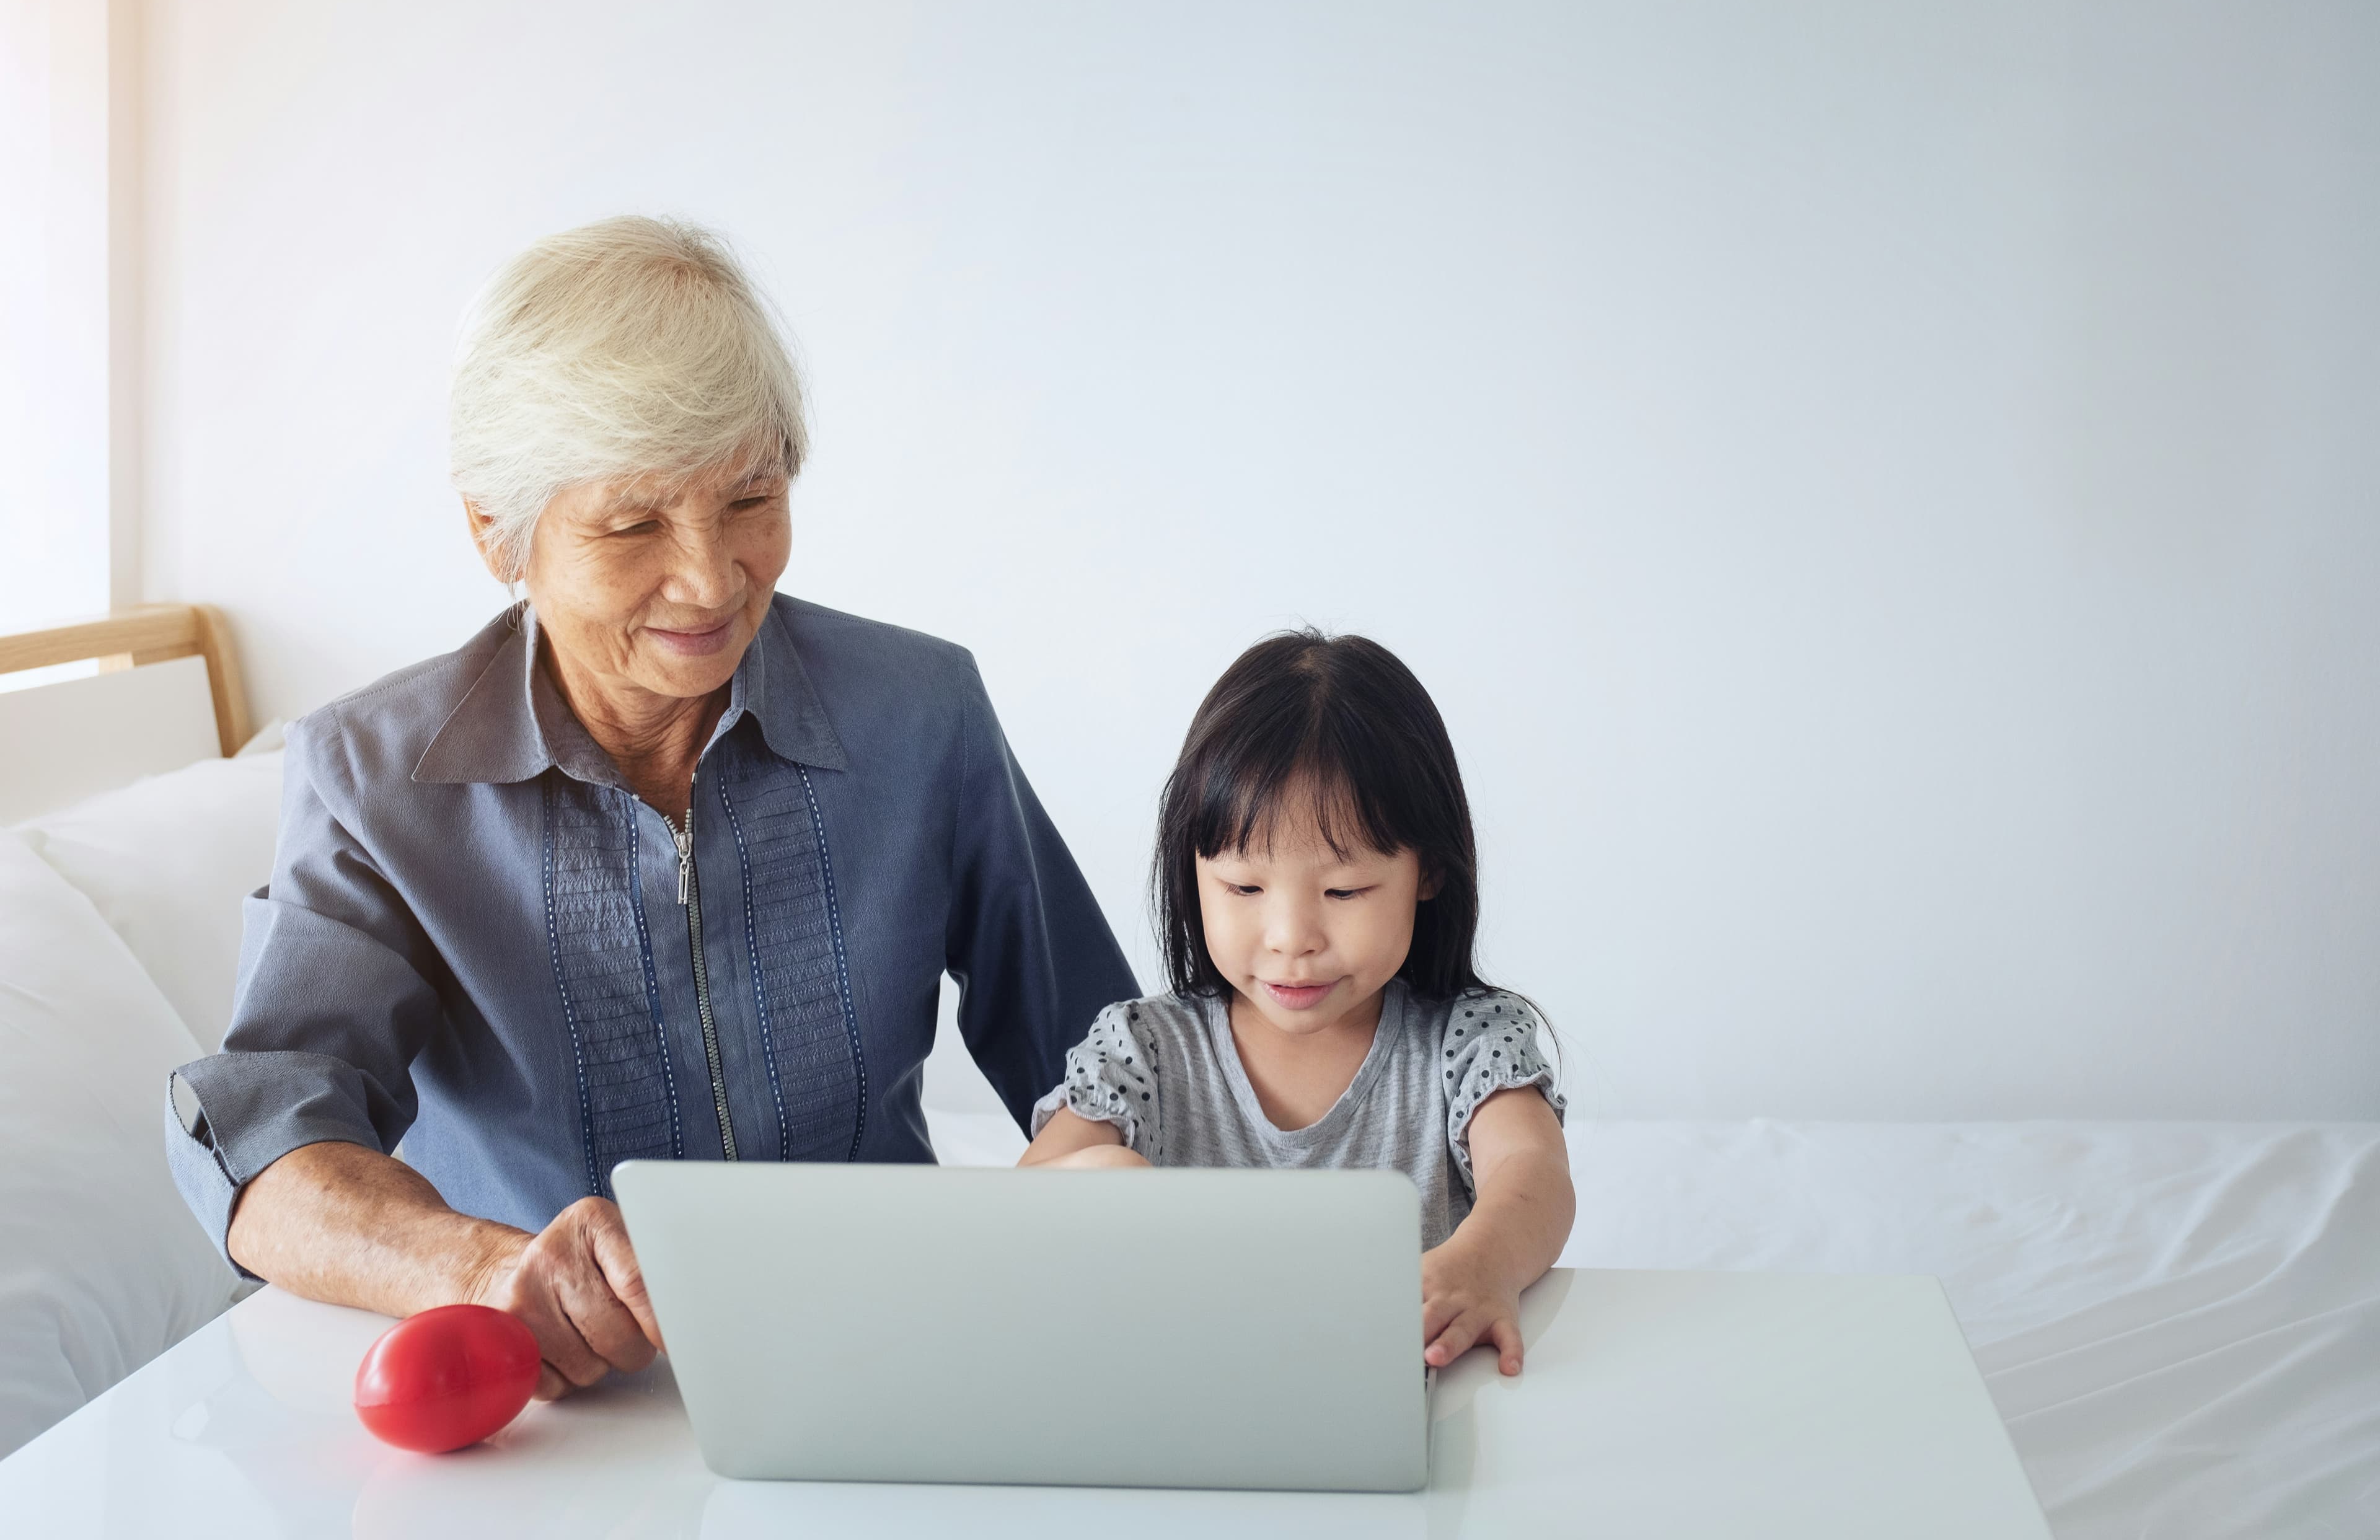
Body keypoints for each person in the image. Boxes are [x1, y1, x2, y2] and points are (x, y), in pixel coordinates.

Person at [165, 216, 1138, 1401]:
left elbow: (1110, 1055)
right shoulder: (371, 777)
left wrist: (1064, 1207)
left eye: (751, 498)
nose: (712, 578)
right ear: (495, 530)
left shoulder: (923, 712)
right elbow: (268, 1144)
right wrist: (485, 1268)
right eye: (634, 524)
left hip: (880, 1365)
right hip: (548, 1406)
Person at [1020, 631, 1574, 1375]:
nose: (1291, 939)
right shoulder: (1141, 1051)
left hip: (1398, 1394)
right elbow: (1019, 1211)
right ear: (1193, 873)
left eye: (1344, 891)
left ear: (1429, 873)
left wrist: (1482, 1265)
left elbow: (1533, 1173)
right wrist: (1093, 1178)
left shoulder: (1470, 1041)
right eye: (1244, 887)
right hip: (1177, 1391)